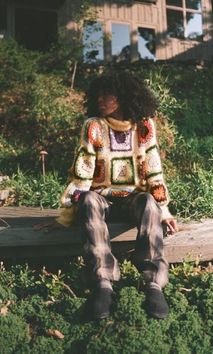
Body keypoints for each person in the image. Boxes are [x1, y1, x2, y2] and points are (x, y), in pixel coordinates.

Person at [36, 70, 178, 320]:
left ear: (124, 96)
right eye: (97, 95)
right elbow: (83, 171)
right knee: (89, 199)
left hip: (134, 198)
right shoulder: (93, 126)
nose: (101, 99)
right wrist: (66, 215)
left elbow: (154, 169)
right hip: (102, 199)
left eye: (107, 94)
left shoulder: (144, 126)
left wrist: (164, 210)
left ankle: (153, 284)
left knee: (148, 202)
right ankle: (103, 284)